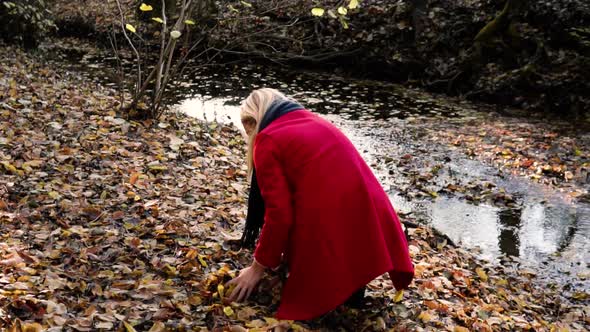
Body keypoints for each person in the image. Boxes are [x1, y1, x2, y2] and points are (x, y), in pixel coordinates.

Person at [226, 88, 414, 321]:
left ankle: (341, 288)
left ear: (252, 121)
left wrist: (257, 268)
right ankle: (352, 287)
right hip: (371, 218)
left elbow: (280, 215)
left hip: (333, 222)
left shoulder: (268, 139)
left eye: (248, 130)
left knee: (309, 304)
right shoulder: (315, 120)